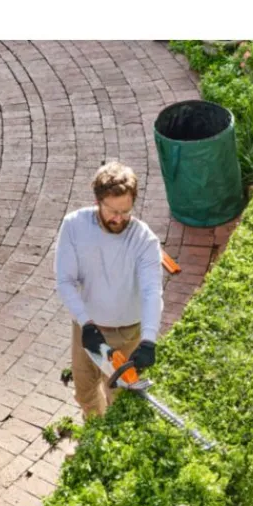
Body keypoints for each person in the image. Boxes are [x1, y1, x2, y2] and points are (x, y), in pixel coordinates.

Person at [54, 160, 164, 421]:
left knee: (120, 398)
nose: (119, 219)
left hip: (126, 333)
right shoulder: (74, 226)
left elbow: (152, 291)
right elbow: (65, 280)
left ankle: (112, 437)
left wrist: (149, 339)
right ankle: (94, 429)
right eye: (112, 211)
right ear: (98, 201)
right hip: (87, 328)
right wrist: (85, 323)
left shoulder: (144, 240)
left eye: (125, 211)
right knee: (84, 392)